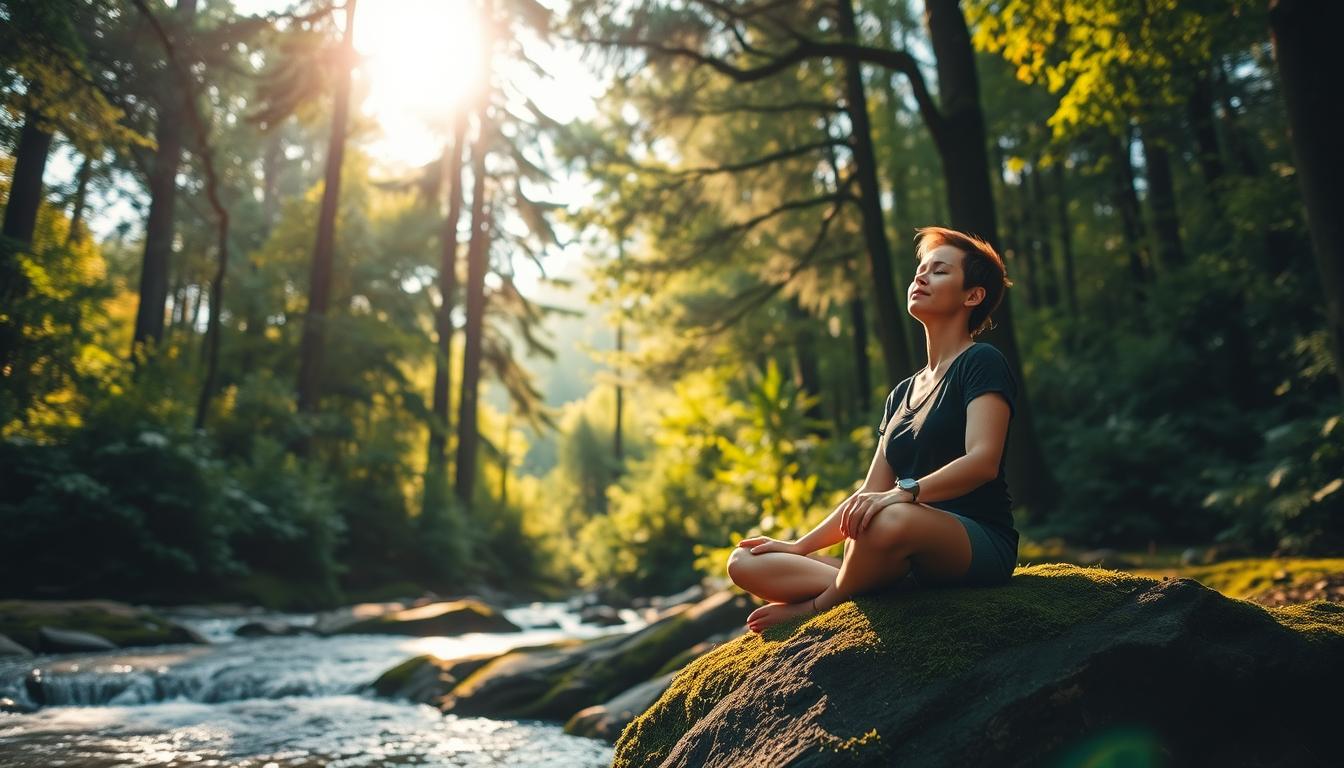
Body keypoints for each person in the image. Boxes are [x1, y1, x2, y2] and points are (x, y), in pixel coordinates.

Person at [727, 226, 1020, 633]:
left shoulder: (981, 361)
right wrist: (799, 546)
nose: (920, 277)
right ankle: (874, 584)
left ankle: (823, 604)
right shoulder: (902, 393)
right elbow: (867, 493)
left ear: (972, 296)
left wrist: (902, 494)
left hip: (976, 543)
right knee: (744, 561)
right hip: (896, 547)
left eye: (939, 271)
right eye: (920, 269)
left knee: (887, 518)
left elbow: (982, 462)